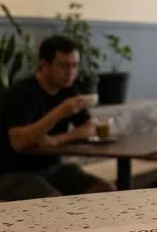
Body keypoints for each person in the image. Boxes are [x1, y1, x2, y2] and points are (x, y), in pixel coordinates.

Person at [0, 35, 114, 201]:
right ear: (44, 65)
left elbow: (90, 127)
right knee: (56, 204)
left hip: (52, 169)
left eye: (75, 65)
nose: (71, 72)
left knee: (106, 191)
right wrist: (60, 112)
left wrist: (58, 139)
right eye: (64, 66)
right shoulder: (20, 94)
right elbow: (19, 142)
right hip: (13, 173)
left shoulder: (67, 90)